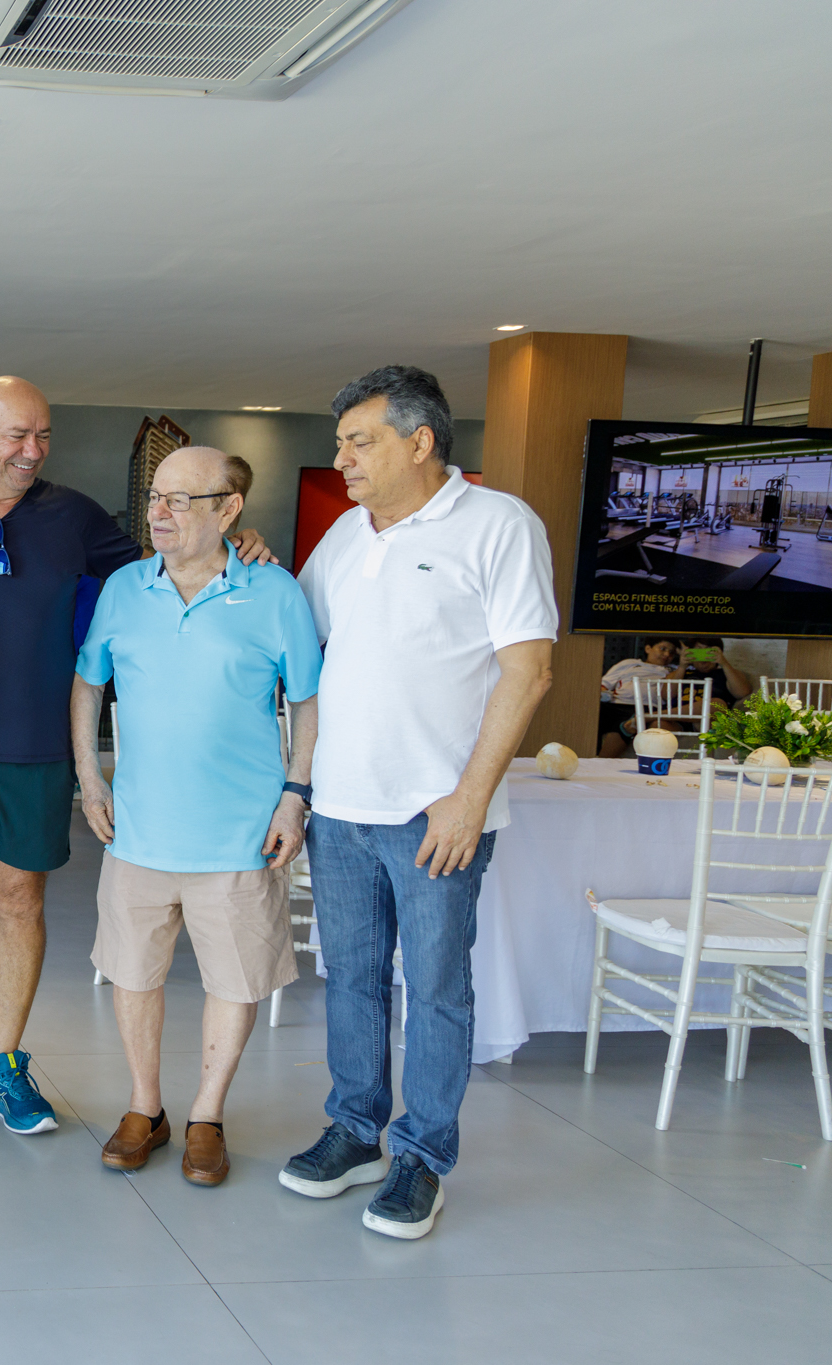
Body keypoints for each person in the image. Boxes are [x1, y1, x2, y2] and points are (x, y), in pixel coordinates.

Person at [0, 376, 273, 1154]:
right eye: (15, 435)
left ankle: (3, 1064)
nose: (32, 451)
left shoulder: (75, 515)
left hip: (38, 749)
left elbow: (168, 560)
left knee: (20, 902)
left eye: (43, 435)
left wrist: (238, 540)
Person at [280, 365, 554, 1241]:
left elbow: (528, 670)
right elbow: (296, 630)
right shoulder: (345, 535)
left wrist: (470, 799)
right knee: (351, 979)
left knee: (435, 989)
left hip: (437, 815)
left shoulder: (499, 524)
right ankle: (355, 1130)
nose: (343, 460)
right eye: (341, 444)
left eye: (359, 442)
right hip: (342, 809)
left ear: (420, 441)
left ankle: (422, 1158)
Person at [71, 447, 320, 1186]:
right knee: (132, 973)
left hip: (241, 835)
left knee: (235, 981)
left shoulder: (274, 591)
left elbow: (307, 700)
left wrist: (296, 793)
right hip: (139, 828)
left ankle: (207, 1115)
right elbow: (88, 684)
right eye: (156, 496)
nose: (158, 511)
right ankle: (144, 1107)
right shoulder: (124, 587)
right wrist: (89, 777)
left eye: (180, 499)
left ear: (229, 509)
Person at [597, 638, 678, 757]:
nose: (667, 654)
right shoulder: (629, 663)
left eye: (671, 652)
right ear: (648, 648)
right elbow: (603, 684)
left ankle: (602, 760)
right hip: (616, 704)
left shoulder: (675, 670)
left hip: (647, 707)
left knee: (627, 722)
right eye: (662, 649)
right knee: (593, 715)